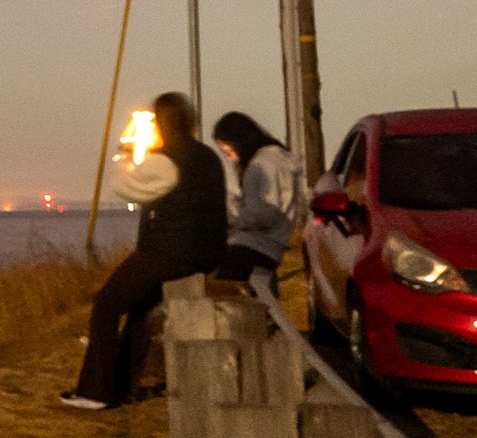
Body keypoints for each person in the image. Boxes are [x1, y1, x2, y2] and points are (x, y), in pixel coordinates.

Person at [63, 89, 229, 409]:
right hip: (206, 252)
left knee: (107, 305)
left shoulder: (166, 162)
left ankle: (95, 391)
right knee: (139, 311)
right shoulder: (206, 156)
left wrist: (125, 152)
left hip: (170, 252)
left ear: (162, 123)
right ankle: (122, 387)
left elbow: (124, 187)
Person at [214, 110, 300, 278]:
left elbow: (262, 214)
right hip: (273, 245)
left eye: (228, 152)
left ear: (238, 141)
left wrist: (230, 219)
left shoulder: (259, 166)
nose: (230, 159)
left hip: (251, 246)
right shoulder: (279, 159)